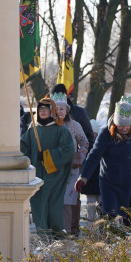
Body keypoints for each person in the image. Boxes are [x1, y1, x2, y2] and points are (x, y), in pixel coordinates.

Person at [77, 97, 131, 219]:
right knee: (111, 215)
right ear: (115, 123)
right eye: (121, 126)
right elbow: (94, 156)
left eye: (128, 126)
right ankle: (110, 237)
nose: (125, 128)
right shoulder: (105, 133)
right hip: (109, 182)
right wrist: (83, 177)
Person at [21, 96, 75, 234]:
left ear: (53, 111)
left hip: (55, 177)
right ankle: (43, 237)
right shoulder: (32, 131)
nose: (43, 111)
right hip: (37, 175)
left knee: (53, 207)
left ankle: (57, 236)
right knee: (39, 207)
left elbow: (68, 150)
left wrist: (47, 156)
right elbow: (23, 148)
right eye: (40, 109)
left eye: (46, 108)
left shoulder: (61, 130)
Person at [52, 92, 89, 235]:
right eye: (56, 108)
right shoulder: (47, 125)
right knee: (54, 201)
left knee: (67, 202)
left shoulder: (75, 125)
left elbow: (85, 142)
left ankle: (67, 232)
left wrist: (79, 157)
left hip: (71, 171)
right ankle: (54, 232)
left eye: (62, 109)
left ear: (67, 110)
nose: (59, 111)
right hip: (52, 170)